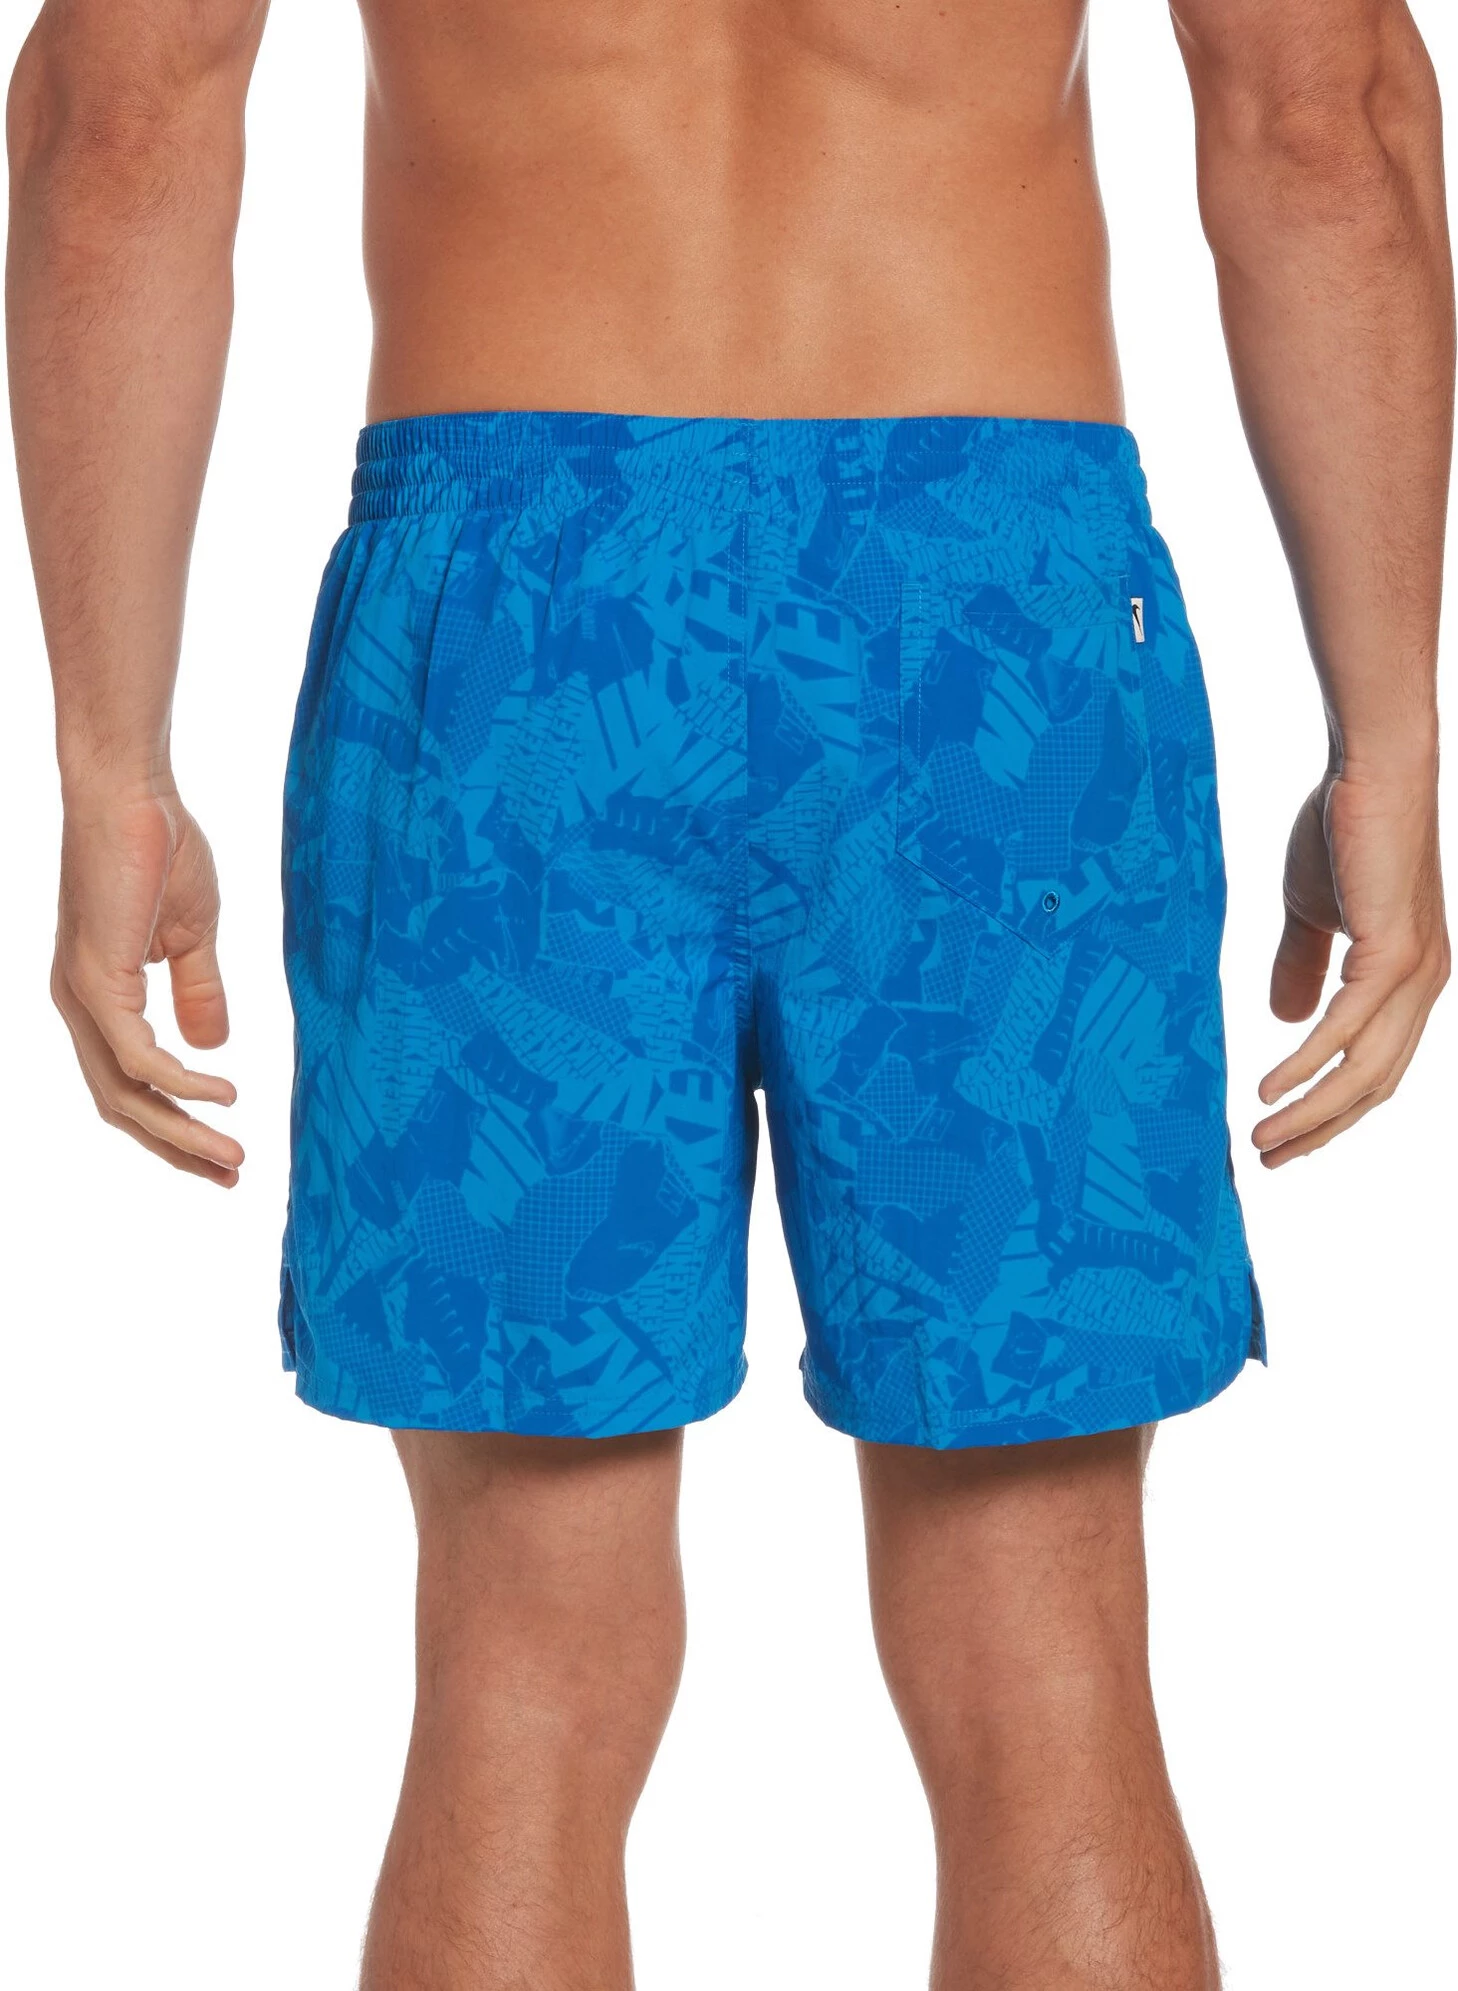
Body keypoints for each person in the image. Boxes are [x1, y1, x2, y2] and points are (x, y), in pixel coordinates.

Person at [7, 0, 1451, 1983]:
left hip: (521, 627)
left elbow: (118, 117)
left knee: (520, 1666)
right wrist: (1389, 737)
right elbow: (1322, 115)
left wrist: (110, 762)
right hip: (985, 629)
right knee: (1043, 1651)